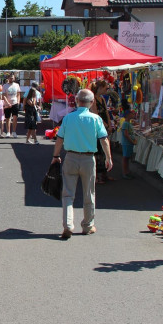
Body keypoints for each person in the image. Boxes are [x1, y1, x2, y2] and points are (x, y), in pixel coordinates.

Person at [52, 88, 112, 239]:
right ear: (91, 103)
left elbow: (59, 139)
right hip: (88, 159)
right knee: (89, 194)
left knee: (68, 194)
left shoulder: (68, 118)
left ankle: (68, 225)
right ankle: (88, 225)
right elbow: (104, 139)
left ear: (77, 101)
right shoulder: (96, 119)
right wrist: (108, 158)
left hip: (71, 157)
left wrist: (55, 155)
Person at [118, 100, 135, 179]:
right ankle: (125, 172)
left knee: (127, 158)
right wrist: (132, 141)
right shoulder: (125, 123)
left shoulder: (128, 123)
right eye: (132, 113)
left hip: (129, 143)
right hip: (127, 143)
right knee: (125, 158)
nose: (133, 114)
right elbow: (126, 134)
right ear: (128, 115)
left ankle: (127, 171)